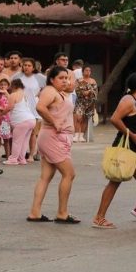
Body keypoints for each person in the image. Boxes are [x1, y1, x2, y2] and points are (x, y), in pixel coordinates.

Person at [95, 73, 136, 224]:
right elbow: (115, 119)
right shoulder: (129, 100)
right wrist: (130, 134)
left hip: (134, 147)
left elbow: (135, 124)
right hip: (125, 145)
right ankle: (99, 217)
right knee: (115, 181)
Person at [27, 66, 79, 224]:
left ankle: (35, 212)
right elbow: (40, 107)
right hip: (54, 138)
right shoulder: (50, 91)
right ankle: (62, 213)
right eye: (61, 78)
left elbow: (72, 86)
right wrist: (54, 121)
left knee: (46, 176)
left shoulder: (59, 92)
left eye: (66, 78)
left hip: (55, 137)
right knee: (69, 174)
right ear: (51, 79)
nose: (65, 81)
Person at [5, 79, 36, 165]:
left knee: (17, 141)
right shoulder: (24, 94)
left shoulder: (13, 95)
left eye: (11, 86)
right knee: (24, 141)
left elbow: (9, 107)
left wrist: (2, 112)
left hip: (21, 121)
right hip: (31, 119)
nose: (10, 88)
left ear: (14, 86)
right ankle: (21, 159)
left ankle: (13, 159)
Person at [73, 64, 98, 143]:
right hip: (80, 102)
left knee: (85, 118)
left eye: (89, 70)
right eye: (86, 70)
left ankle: (81, 135)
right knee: (78, 117)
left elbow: (95, 92)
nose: (88, 72)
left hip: (90, 102)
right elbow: (77, 90)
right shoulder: (79, 80)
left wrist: (89, 92)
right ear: (83, 71)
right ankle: (76, 135)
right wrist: (84, 93)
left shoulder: (93, 81)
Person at [0, 77, 12, 158]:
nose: (3, 86)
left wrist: (6, 92)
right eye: (1, 85)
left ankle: (8, 156)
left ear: (8, 86)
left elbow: (11, 104)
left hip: (6, 121)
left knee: (6, 139)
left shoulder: (9, 95)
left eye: (5, 85)